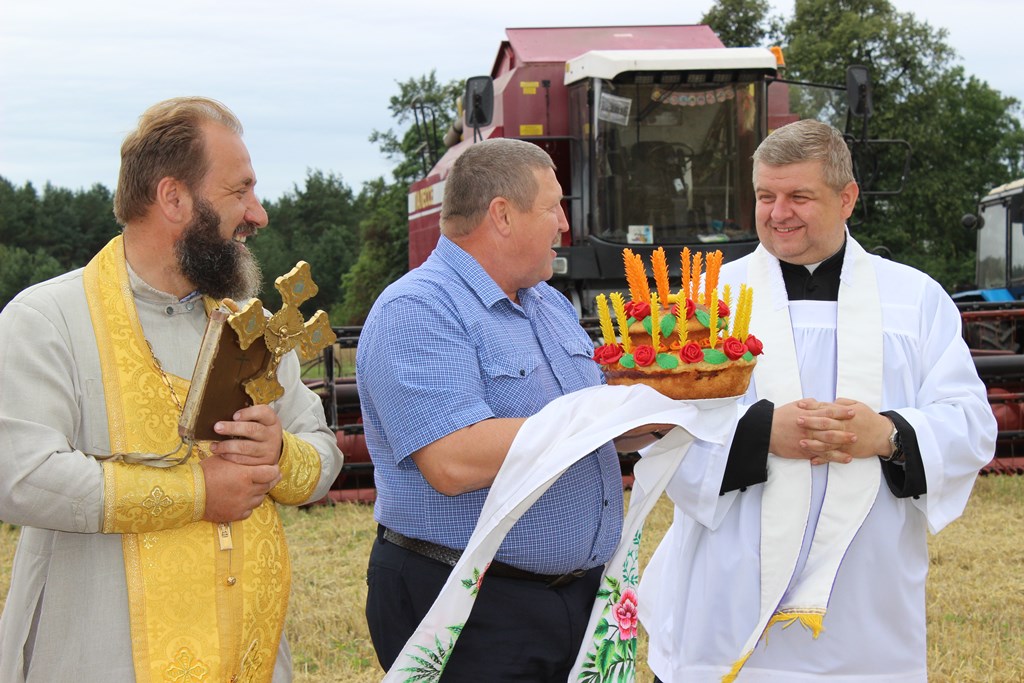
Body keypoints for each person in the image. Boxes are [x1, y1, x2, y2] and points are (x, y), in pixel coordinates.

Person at [640, 118, 997, 682]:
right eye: (766, 196)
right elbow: (659, 429)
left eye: (799, 197)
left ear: (847, 198)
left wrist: (889, 435)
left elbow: (971, 424)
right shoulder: (705, 302)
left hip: (865, 606)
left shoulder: (915, 300)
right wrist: (761, 434)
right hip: (728, 596)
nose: (778, 213)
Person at [0, 97, 343, 682]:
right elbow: (21, 477)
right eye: (240, 191)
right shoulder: (46, 320)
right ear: (174, 198)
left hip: (247, 656)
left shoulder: (251, 327)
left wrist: (278, 454)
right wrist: (197, 492)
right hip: (101, 658)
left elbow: (324, 452)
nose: (258, 214)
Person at [357, 137, 662, 681]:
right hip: (471, 607)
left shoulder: (548, 303)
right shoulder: (418, 308)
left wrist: (661, 411)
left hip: (578, 600)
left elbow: (599, 426)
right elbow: (452, 460)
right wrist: (603, 414)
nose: (563, 225)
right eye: (553, 207)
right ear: (502, 214)